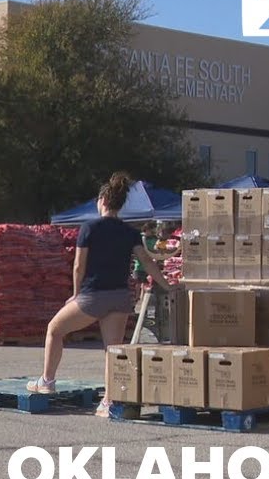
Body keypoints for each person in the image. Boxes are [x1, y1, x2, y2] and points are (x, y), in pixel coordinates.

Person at [27, 172, 179, 417]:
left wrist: (75, 294)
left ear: (103, 201)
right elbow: (148, 263)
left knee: (54, 330)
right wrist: (167, 285)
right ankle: (108, 402)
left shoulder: (89, 228)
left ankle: (47, 381)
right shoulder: (130, 232)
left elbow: (79, 265)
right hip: (120, 297)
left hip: (93, 295)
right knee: (112, 350)